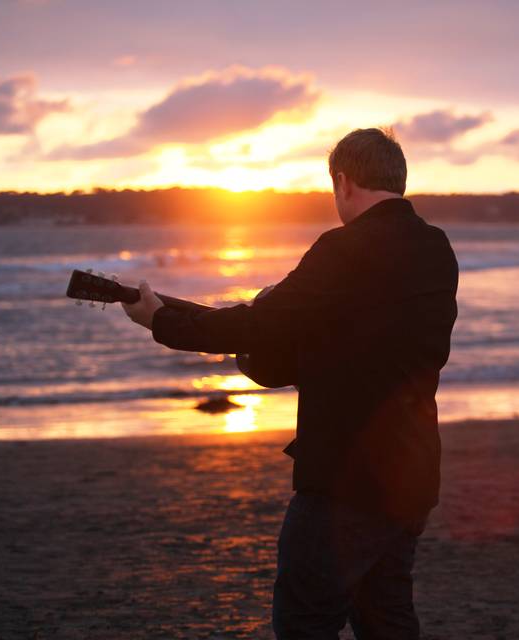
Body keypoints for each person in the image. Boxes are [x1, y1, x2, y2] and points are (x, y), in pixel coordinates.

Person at [121, 127, 458, 639]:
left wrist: (161, 323)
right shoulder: (436, 249)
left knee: (304, 619)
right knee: (386, 618)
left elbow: (261, 323)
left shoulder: (344, 249)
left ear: (343, 182)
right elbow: (361, 344)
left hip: (347, 478)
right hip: (413, 473)